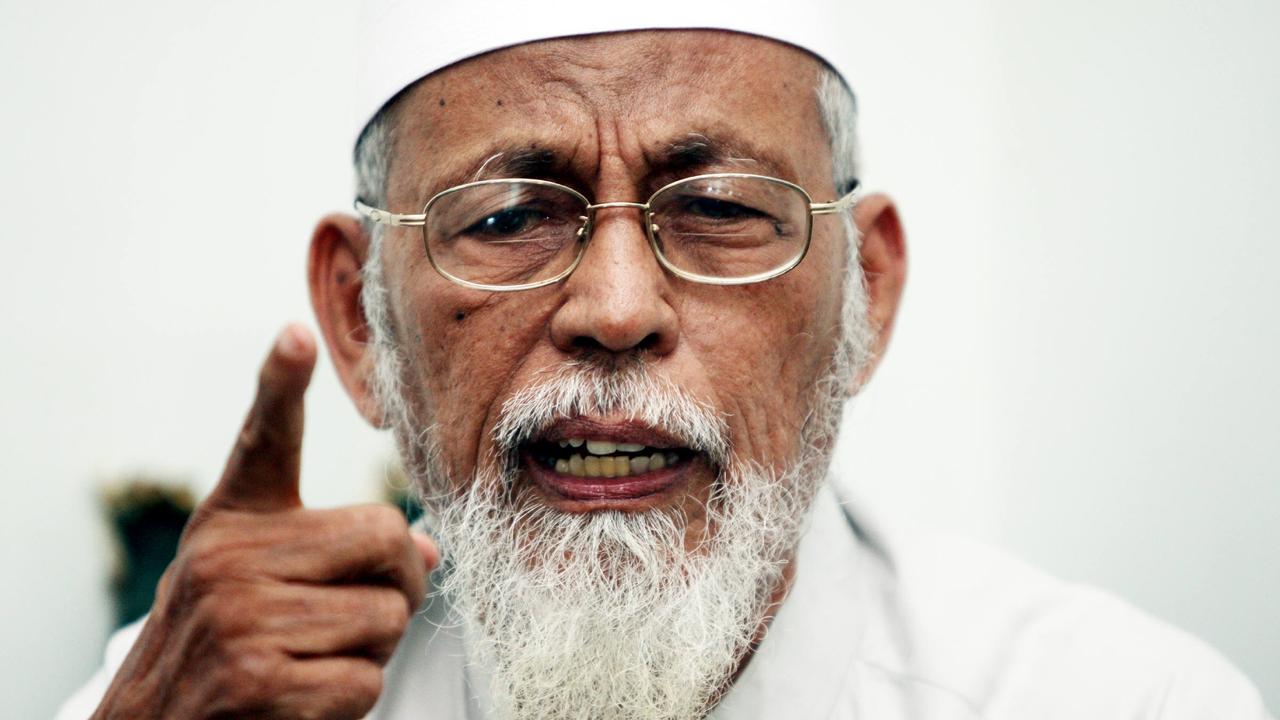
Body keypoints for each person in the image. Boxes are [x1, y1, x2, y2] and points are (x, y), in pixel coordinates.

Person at [60, 2, 1273, 718]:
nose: (617, 306)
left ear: (866, 287)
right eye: (505, 218)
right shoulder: (204, 699)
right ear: (362, 319)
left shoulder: (1108, 700)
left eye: (721, 211)